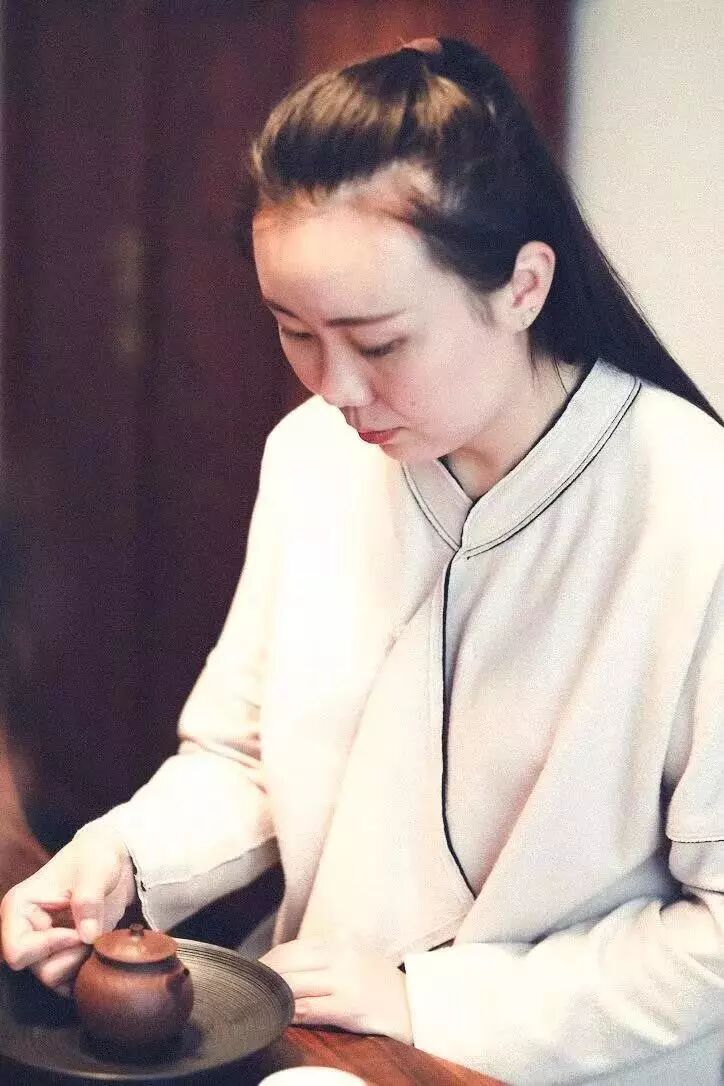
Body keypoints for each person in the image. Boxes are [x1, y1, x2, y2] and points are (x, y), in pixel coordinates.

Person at [2, 37, 723, 1085]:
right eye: (293, 331)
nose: (334, 388)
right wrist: (121, 858)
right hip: (324, 1047)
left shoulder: (695, 513)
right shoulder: (313, 458)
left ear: (524, 286)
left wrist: (428, 999)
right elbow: (246, 759)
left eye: (379, 342)